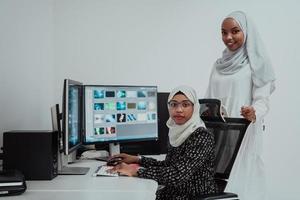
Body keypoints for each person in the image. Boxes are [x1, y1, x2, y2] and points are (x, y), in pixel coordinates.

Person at [205, 11, 276, 200]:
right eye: (224, 32)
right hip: (218, 135)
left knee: (245, 185)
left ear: (246, 31)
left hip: (244, 132)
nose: (228, 37)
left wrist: (254, 111)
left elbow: (263, 100)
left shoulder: (256, 63)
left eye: (235, 31)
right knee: (219, 184)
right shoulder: (218, 65)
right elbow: (208, 98)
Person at [111, 85, 218, 200]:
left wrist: (136, 171)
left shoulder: (201, 136)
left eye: (185, 104)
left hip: (193, 196)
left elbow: (178, 175)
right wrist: (138, 160)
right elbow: (169, 165)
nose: (178, 109)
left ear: (194, 107)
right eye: (173, 104)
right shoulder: (177, 131)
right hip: (173, 192)